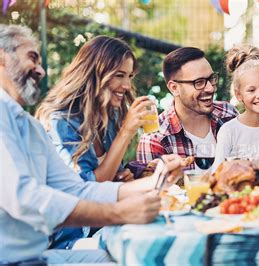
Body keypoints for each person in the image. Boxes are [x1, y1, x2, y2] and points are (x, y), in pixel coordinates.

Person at [0, 24, 184, 264]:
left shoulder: (28, 126)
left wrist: (158, 180)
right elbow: (23, 197)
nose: (41, 71)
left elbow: (77, 189)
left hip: (38, 256)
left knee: (129, 257)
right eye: (32, 58)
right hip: (17, 258)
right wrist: (118, 212)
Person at [34, 36, 159, 249]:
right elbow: (86, 188)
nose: (127, 85)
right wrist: (126, 131)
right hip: (69, 239)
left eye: (129, 76)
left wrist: (125, 176)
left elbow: (108, 176)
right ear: (95, 72)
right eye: (119, 75)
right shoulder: (61, 121)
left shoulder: (108, 115)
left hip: (103, 226)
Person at [137, 47, 239, 171]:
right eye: (199, 82)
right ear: (174, 88)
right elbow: (153, 189)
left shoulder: (228, 114)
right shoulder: (155, 139)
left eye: (211, 79)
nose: (210, 88)